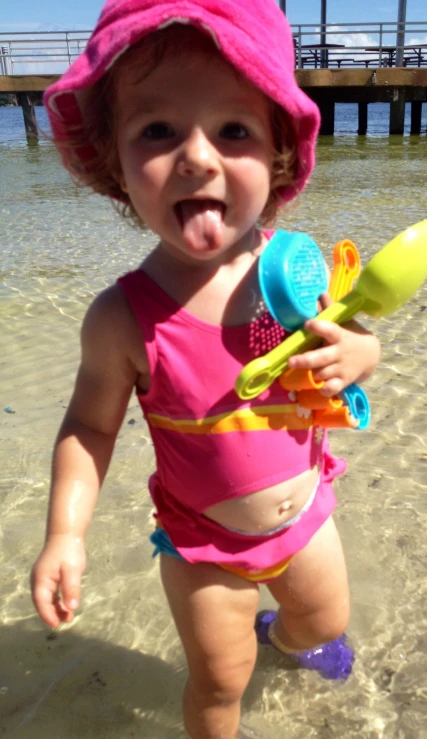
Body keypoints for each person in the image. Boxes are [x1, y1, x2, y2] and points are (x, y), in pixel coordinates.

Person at [30, 1, 381, 737]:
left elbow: (352, 345)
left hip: (307, 516)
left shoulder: (293, 273)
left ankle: (282, 635)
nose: (196, 157)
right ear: (115, 162)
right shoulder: (124, 317)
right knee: (220, 683)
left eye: (234, 130)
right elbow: (89, 426)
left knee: (325, 619)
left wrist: (358, 355)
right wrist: (66, 532)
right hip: (205, 548)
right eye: (158, 131)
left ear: (279, 154)